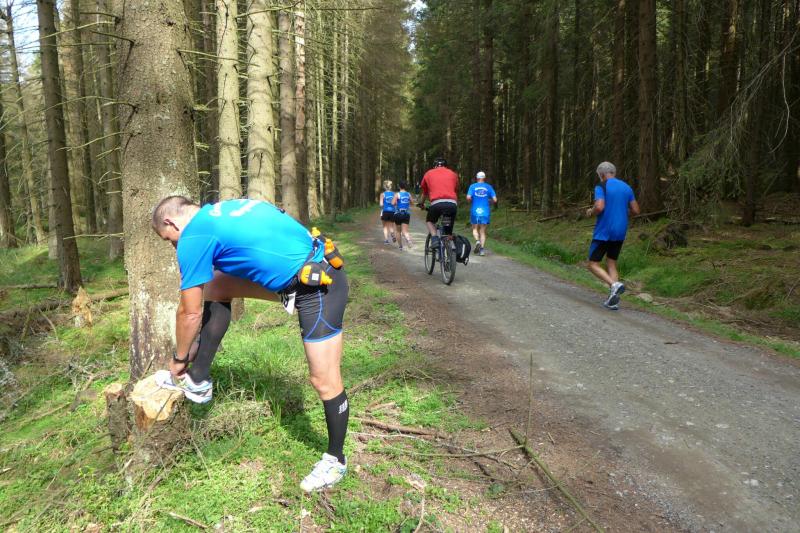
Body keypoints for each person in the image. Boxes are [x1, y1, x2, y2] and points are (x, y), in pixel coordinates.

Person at [151, 196, 350, 492]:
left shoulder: (193, 236)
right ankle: (198, 378)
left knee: (324, 379)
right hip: (303, 271)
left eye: (169, 239)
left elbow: (189, 313)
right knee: (216, 285)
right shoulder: (226, 208)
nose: (173, 246)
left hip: (319, 287)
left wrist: (180, 357)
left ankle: (336, 460)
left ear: (171, 222)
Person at [585, 162, 640, 310]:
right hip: (620, 231)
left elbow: (599, 206)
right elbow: (636, 210)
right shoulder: (626, 187)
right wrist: (622, 213)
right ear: (613, 172)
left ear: (601, 174)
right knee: (611, 263)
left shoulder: (601, 186)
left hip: (604, 231)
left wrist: (591, 211)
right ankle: (613, 300)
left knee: (592, 264)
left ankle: (614, 284)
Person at [418, 157, 458, 246]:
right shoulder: (453, 174)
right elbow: (455, 189)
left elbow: (425, 192)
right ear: (445, 166)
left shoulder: (428, 173)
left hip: (437, 204)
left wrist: (421, 203)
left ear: (434, 166)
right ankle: (451, 248)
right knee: (447, 230)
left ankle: (434, 238)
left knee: (430, 221)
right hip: (452, 204)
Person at [466, 171, 497, 256]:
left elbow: (468, 197)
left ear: (477, 178)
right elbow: (495, 200)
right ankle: (482, 250)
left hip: (475, 210)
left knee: (474, 229)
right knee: (482, 231)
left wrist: (472, 200)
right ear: (484, 178)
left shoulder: (472, 186)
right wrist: (488, 202)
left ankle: (477, 241)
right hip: (485, 211)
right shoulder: (489, 187)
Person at [392, 182, 413, 250]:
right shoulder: (408, 194)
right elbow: (412, 203)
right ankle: (408, 240)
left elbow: (393, 203)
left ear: (399, 187)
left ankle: (400, 246)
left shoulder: (397, 194)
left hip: (398, 214)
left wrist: (396, 203)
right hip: (406, 214)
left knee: (398, 231)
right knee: (405, 231)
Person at [378, 180, 396, 245]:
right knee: (391, 226)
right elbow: (395, 203)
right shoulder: (394, 194)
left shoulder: (382, 194)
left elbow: (381, 204)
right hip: (392, 211)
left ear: (384, 187)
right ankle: (392, 234)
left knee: (385, 227)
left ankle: (386, 240)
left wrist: (383, 205)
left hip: (385, 211)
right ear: (390, 186)